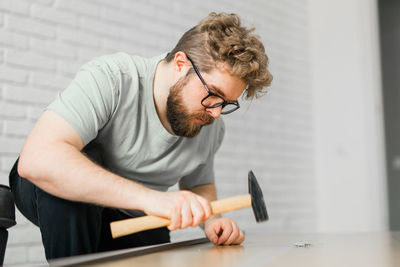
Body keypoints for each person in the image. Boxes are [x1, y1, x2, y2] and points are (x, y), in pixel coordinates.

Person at [9, 12, 272, 260]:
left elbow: (197, 185)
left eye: (226, 103)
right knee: (75, 172)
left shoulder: (210, 123)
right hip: (65, 199)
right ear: (181, 64)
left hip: (134, 217)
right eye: (213, 94)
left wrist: (213, 219)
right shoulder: (113, 78)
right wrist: (154, 200)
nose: (216, 113)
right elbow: (37, 159)